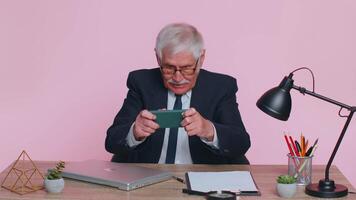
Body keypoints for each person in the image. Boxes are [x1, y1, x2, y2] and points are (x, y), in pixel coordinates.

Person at [105, 23, 250, 164]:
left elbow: (241, 142)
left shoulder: (221, 86)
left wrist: (209, 130)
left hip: (203, 179)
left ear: (201, 58)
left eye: (187, 68)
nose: (177, 78)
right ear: (158, 58)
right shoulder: (141, 83)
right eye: (168, 68)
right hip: (150, 178)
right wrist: (135, 132)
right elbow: (111, 141)